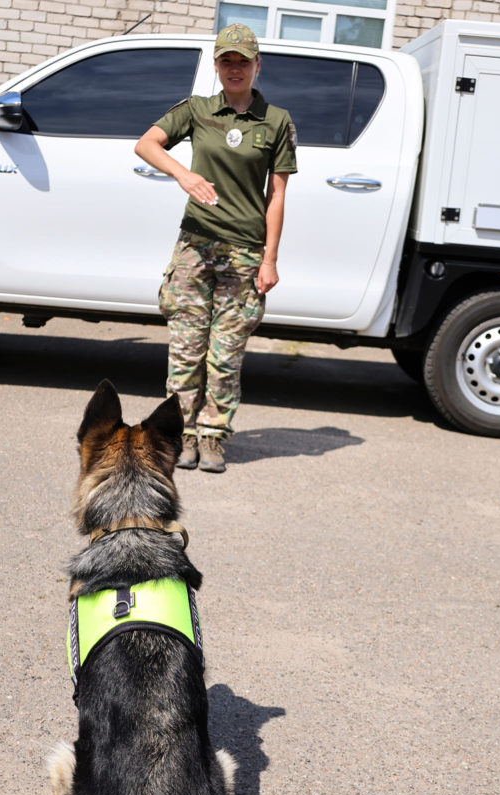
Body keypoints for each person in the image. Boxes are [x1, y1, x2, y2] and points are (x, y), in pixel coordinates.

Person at [135, 24, 297, 473]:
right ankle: (180, 434)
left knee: (225, 354)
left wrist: (270, 259)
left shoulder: (276, 120)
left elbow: (277, 195)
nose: (235, 68)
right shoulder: (197, 110)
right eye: (227, 60)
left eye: (243, 61)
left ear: (257, 65)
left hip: (244, 251)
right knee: (186, 347)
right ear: (217, 66)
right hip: (195, 246)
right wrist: (182, 175)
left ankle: (212, 437)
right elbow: (146, 144)